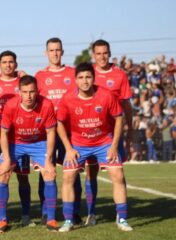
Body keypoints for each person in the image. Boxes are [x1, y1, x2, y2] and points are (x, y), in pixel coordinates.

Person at [56, 62, 132, 232]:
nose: (85, 81)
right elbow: (60, 123)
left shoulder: (106, 95)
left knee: (117, 174)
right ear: (75, 80)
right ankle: (68, 221)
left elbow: (119, 118)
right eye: (81, 77)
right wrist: (68, 148)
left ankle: (122, 218)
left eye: (88, 77)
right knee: (68, 177)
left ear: (94, 78)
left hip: (103, 142)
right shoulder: (68, 98)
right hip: (78, 144)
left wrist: (113, 146)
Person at [0, 75, 57, 233]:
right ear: (19, 92)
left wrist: (49, 160)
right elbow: (3, 133)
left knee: (49, 173)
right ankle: (2, 220)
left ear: (37, 91)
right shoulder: (10, 106)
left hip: (38, 143)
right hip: (15, 143)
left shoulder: (47, 105)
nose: (28, 96)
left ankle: (51, 219)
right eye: (25, 92)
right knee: (2, 174)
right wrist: (7, 159)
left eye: (32, 92)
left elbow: (51, 133)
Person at [0, 51, 36, 227]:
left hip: (19, 138)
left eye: (11, 62)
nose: (8, 65)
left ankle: (25, 215)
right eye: (4, 62)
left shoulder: (22, 81)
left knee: (23, 177)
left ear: (16, 64)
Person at [35, 37, 81, 224]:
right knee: (45, 170)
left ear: (62, 52)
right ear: (46, 53)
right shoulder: (39, 76)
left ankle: (75, 210)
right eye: (51, 50)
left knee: (72, 170)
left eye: (57, 50)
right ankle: (47, 210)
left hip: (69, 131)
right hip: (46, 132)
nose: (54, 53)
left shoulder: (73, 73)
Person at [88, 39, 133, 224]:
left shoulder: (120, 75)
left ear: (109, 53)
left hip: (113, 134)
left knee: (118, 174)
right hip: (91, 133)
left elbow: (127, 105)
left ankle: (121, 216)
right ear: (93, 55)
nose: (102, 57)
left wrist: (130, 129)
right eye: (98, 53)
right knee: (91, 174)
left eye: (105, 53)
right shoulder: (87, 74)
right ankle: (91, 213)